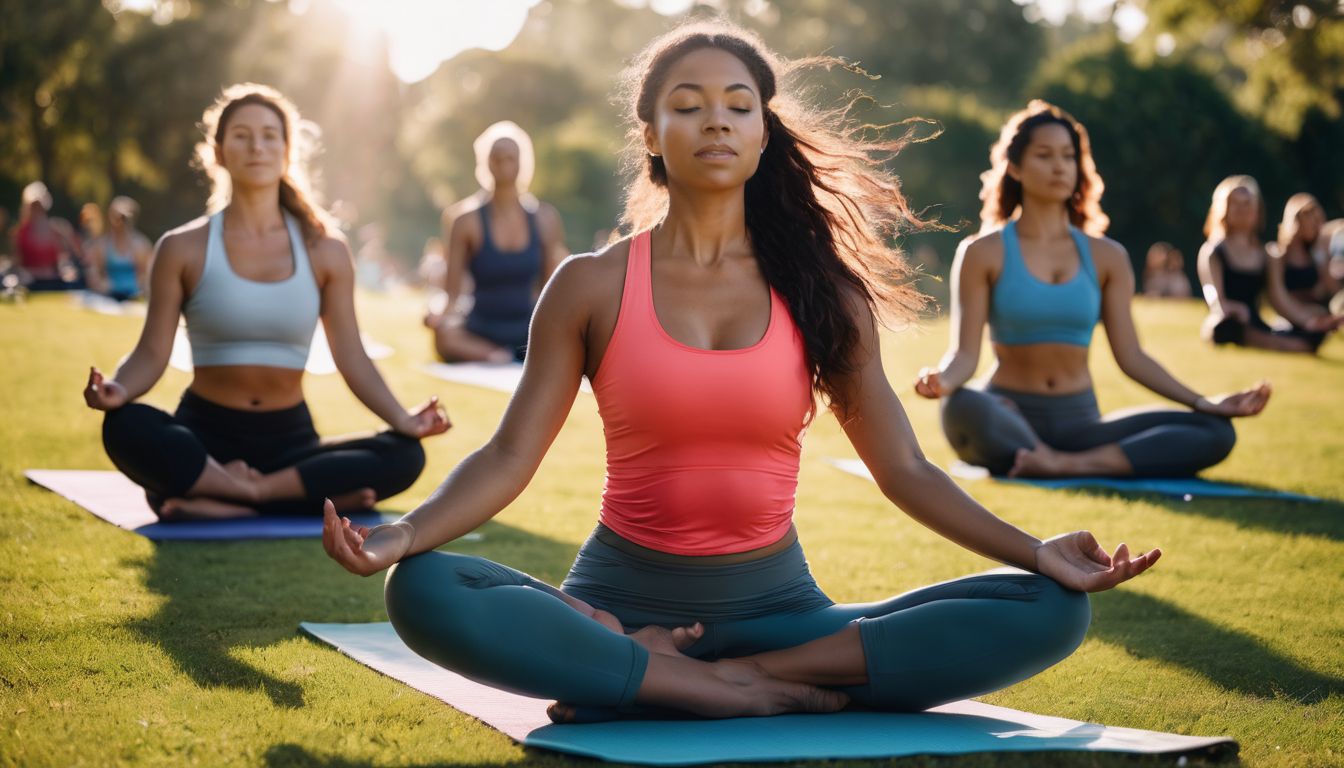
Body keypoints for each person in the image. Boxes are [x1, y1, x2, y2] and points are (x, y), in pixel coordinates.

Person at [324, 23, 1159, 723]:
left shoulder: (823, 293)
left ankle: (679, 678)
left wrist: (1033, 551)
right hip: (617, 601)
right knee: (425, 587)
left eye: (737, 106)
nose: (715, 122)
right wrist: (404, 533)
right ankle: (719, 688)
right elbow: (509, 458)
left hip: (783, 612)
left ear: (764, 133)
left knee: (1051, 608)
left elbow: (903, 468)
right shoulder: (592, 284)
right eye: (686, 106)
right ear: (650, 135)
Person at [83, 84, 449, 520]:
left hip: (291, 442)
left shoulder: (325, 250)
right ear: (216, 152)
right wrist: (119, 389)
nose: (257, 146)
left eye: (270, 135)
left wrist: (403, 419)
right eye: (241, 135)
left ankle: (237, 497)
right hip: (205, 437)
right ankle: (287, 498)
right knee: (125, 425)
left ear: (287, 150)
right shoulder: (182, 247)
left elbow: (352, 356)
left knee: (405, 454)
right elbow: (151, 351)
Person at [914, 102, 1269, 478]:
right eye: (1044, 155)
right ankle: (1056, 458)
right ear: (1015, 167)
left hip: (1081, 424)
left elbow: (1131, 355)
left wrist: (1202, 402)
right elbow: (965, 353)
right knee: (961, 405)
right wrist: (943, 380)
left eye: (1069, 156)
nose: (1059, 166)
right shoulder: (981, 252)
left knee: (1214, 431)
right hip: (1006, 415)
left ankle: (1062, 463)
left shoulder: (1107, 257)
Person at [424, 122, 568, 363]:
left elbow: (549, 290)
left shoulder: (545, 218)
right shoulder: (464, 220)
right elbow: (452, 293)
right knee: (444, 336)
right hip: (480, 325)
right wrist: (437, 314)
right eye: (497, 158)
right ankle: (495, 355)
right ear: (486, 162)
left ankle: (517, 353)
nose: (503, 164)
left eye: (510, 158)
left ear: (522, 162)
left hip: (527, 326)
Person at [1197, 177, 1341, 353]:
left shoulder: (1265, 255)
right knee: (1226, 326)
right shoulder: (1213, 251)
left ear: (1257, 209)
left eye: (1247, 203)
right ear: (1223, 208)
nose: (1242, 209)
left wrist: (1310, 321)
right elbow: (1212, 294)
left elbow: (1279, 298)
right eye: (1235, 203)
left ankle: (1279, 342)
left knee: (1309, 335)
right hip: (1228, 320)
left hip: (1254, 323)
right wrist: (1230, 307)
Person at [1273, 193, 1343, 318]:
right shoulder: (1278, 255)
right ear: (1299, 220)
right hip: (1292, 314)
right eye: (1315, 221)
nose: (1319, 227)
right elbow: (1278, 294)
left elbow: (1331, 289)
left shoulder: (1315, 251)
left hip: (1318, 312)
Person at [14, 182, 80, 291]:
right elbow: (17, 261)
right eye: (34, 206)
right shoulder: (21, 233)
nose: (37, 209)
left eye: (39, 206)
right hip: (31, 282)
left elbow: (70, 254)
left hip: (53, 281)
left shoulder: (56, 229)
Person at [86, 197, 152, 301]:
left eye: (124, 217)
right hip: (108, 296)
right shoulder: (101, 244)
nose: (120, 221)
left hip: (134, 296)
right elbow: (94, 273)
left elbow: (146, 274)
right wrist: (100, 285)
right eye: (117, 216)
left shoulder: (141, 244)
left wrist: (140, 290)